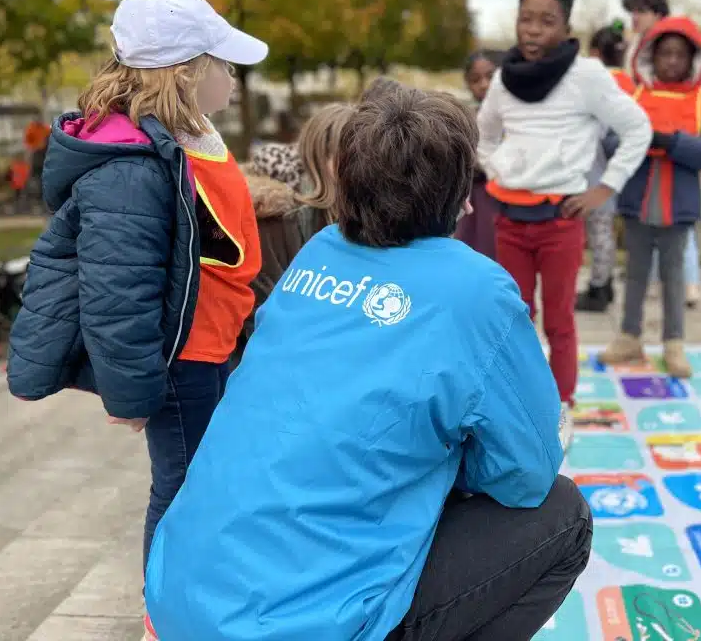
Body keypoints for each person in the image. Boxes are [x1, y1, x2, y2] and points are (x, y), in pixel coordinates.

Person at [144, 85, 592, 641]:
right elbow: (526, 474)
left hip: (179, 593)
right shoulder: (475, 289)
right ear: (458, 194)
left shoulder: (320, 252)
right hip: (298, 625)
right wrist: (449, 467)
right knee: (564, 515)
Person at [6, 0, 269, 582]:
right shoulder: (131, 170)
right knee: (182, 492)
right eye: (222, 64)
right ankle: (168, 612)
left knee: (205, 483)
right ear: (185, 74)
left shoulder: (185, 142)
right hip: (183, 361)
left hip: (211, 346)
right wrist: (132, 396)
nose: (232, 75)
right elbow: (116, 294)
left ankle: (197, 597)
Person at [479, 0, 651, 408]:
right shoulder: (504, 79)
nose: (534, 30)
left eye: (547, 21)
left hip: (560, 221)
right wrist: (497, 167)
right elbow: (484, 137)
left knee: (559, 322)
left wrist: (604, 189)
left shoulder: (587, 76)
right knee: (515, 321)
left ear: (566, 27)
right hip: (509, 220)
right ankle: (519, 403)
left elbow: (637, 128)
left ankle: (562, 404)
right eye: (525, 19)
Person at [600, 16, 701, 377]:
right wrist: (641, 140)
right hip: (637, 203)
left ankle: (674, 343)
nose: (672, 61)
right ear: (650, 57)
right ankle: (629, 336)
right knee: (636, 273)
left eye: (680, 54)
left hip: (679, 207)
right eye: (665, 54)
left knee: (674, 277)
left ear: (693, 59)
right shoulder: (633, 97)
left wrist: (672, 142)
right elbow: (610, 141)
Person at [233, 103, 355, 365]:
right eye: (347, 154)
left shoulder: (367, 217)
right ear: (318, 157)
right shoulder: (277, 220)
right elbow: (265, 314)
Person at [575, 22, 631, 313]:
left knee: (596, 231)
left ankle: (599, 288)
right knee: (604, 231)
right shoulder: (631, 84)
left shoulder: (592, 82)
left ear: (595, 53)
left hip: (591, 171)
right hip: (616, 170)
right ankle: (604, 283)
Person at [455, 49, 503, 258]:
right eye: (476, 79)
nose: (484, 84)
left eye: (490, 76)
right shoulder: (465, 117)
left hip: (502, 195)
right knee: (472, 249)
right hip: (473, 195)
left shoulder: (513, 116)